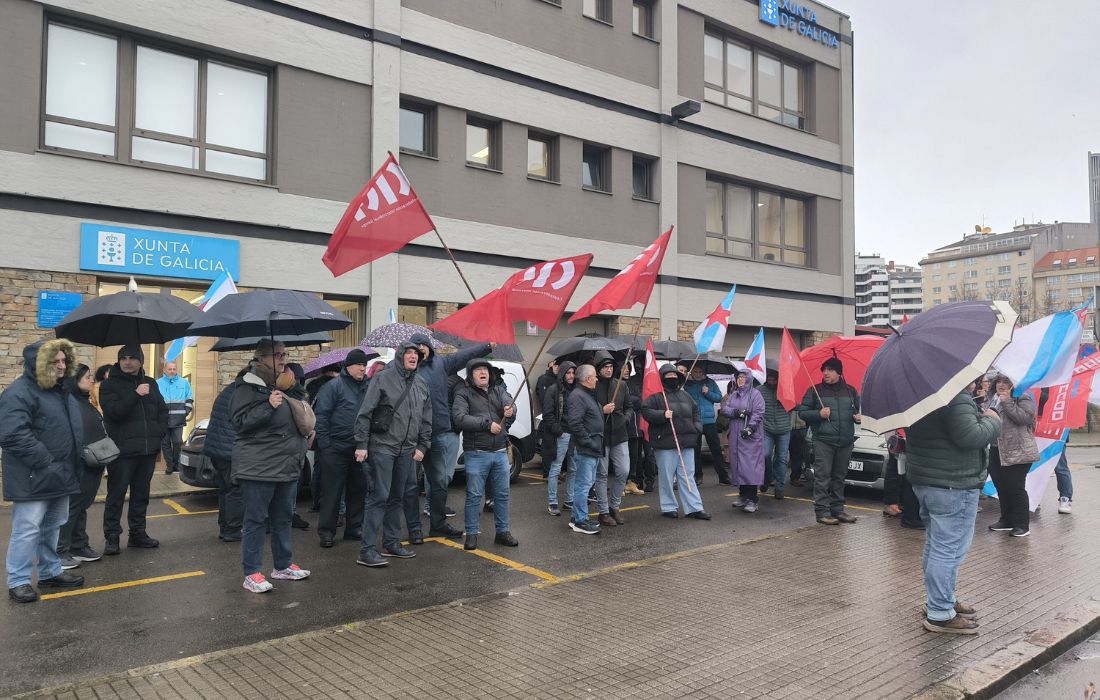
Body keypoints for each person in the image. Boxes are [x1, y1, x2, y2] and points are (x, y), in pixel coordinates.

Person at [906, 387, 1001, 634]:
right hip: (953, 484)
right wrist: (992, 420)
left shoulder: (920, 395)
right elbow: (969, 437)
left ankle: (940, 600)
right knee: (948, 549)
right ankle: (940, 612)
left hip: (929, 481)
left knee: (936, 545)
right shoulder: (954, 396)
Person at [1, 339, 85, 603]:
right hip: (34, 475)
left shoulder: (60, 391)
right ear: (40, 364)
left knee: (53, 526)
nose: (61, 366)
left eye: (63, 361)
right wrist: (47, 461)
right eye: (55, 361)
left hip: (59, 473)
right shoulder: (19, 392)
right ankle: (19, 580)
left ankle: (50, 572)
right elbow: (12, 434)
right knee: (27, 529)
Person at [231, 339, 312, 593]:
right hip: (258, 467)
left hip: (286, 465)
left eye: (284, 354)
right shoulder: (247, 386)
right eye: (277, 354)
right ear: (261, 358)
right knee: (256, 519)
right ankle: (252, 572)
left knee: (283, 517)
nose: (282, 358)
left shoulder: (287, 386)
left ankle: (283, 565)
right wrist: (267, 405)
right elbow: (239, 422)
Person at [405, 333, 491, 542]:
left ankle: (439, 525)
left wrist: (487, 346)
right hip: (411, 435)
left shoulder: (441, 364)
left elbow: (464, 355)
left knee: (440, 482)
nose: (421, 349)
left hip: (439, 432)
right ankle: (414, 529)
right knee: (409, 485)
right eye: (417, 346)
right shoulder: (404, 369)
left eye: (424, 345)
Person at [354, 342, 432, 567]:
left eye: (416, 354)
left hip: (407, 450)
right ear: (399, 356)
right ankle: (367, 550)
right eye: (408, 353)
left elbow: (427, 417)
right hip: (382, 447)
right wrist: (361, 443)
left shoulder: (421, 383)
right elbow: (365, 412)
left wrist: (423, 446)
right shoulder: (383, 378)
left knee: (397, 497)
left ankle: (391, 542)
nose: (413, 356)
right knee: (379, 497)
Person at [99, 344, 168, 554]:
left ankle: (138, 534)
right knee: (115, 496)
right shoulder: (109, 385)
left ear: (141, 360)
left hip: (147, 451)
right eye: (123, 358)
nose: (127, 362)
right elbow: (114, 412)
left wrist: (158, 434)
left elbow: (162, 411)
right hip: (122, 452)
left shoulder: (151, 383)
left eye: (132, 358)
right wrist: (135, 394)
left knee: (141, 495)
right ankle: (112, 537)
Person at [452, 358, 519, 550]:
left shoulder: (499, 391)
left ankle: (503, 532)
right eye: (478, 370)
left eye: (485, 369)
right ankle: (471, 534)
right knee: (474, 495)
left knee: (503, 495)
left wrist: (511, 409)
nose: (483, 372)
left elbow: (511, 403)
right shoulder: (463, 394)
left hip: (499, 452)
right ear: (471, 375)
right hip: (476, 453)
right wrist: (487, 425)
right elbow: (459, 418)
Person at [313, 349, 371, 548]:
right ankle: (327, 532)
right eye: (359, 364)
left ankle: (354, 528)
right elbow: (322, 417)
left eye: (365, 365)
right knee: (332, 492)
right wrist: (326, 446)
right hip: (335, 449)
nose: (363, 368)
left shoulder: (368, 386)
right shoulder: (333, 387)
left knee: (358, 490)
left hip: (359, 448)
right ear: (348, 366)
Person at [641, 364, 711, 520]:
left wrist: (697, 427)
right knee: (666, 476)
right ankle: (668, 506)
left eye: (674, 376)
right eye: (668, 376)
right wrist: (662, 415)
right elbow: (645, 411)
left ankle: (694, 508)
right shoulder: (656, 396)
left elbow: (695, 412)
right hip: (665, 443)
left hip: (686, 442)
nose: (672, 379)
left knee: (688, 476)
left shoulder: (686, 396)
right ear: (662, 379)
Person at [797, 357, 861, 525]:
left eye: (830, 370)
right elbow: (802, 412)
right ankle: (822, 512)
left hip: (846, 441)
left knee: (839, 477)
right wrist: (818, 414)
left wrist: (859, 418)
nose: (825, 373)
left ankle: (838, 510)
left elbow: (859, 411)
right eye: (824, 370)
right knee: (823, 477)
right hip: (823, 441)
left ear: (839, 372)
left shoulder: (851, 391)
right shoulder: (814, 390)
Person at [56, 364, 108, 569]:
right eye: (87, 377)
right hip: (79, 464)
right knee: (71, 508)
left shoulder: (82, 400)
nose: (91, 380)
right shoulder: (68, 402)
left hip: (93, 462)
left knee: (81, 506)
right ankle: (60, 551)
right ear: (74, 379)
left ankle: (78, 545)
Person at [986, 375, 1038, 538]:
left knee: (1015, 488)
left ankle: (1022, 524)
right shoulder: (992, 399)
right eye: (999, 382)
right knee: (1001, 486)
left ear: (1014, 384)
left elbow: (1024, 418)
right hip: (996, 449)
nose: (1001, 385)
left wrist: (1007, 401)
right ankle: (1007, 520)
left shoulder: (1022, 398)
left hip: (1018, 450)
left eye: (1006, 382)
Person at [204, 367, 248, 543]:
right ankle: (233, 530)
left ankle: (225, 527)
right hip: (228, 449)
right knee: (235, 490)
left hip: (217, 449)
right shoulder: (240, 394)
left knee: (225, 490)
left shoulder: (229, 390)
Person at [564, 364, 605, 535]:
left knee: (585, 484)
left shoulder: (586, 394)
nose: (597, 378)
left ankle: (576, 517)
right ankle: (581, 520)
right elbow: (574, 423)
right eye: (595, 376)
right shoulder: (578, 396)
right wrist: (588, 442)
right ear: (588, 378)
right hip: (584, 449)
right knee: (583, 485)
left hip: (592, 447)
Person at [592, 351, 629, 527]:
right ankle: (604, 511)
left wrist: (625, 419)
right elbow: (587, 409)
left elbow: (629, 407)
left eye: (611, 366)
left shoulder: (621, 385)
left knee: (623, 471)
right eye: (605, 367)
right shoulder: (592, 386)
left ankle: (615, 506)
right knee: (602, 474)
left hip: (620, 434)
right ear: (598, 369)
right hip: (601, 435)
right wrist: (602, 410)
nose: (609, 370)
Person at [721, 368, 766, 513]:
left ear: (748, 378)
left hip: (750, 437)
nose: (740, 379)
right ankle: (742, 495)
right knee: (738, 466)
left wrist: (751, 428)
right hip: (735, 435)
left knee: (750, 467)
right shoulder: (734, 394)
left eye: (743, 377)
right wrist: (736, 412)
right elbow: (724, 409)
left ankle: (752, 499)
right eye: (738, 377)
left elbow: (758, 413)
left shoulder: (756, 394)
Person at [541, 360, 576, 516]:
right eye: (568, 373)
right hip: (560, 435)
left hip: (575, 435)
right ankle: (552, 502)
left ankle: (569, 500)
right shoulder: (553, 390)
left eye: (573, 373)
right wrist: (559, 431)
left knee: (574, 469)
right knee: (555, 468)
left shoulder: (575, 390)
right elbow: (547, 414)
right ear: (562, 373)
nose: (571, 376)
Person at [684, 364, 727, 485]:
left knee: (716, 450)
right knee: (696, 451)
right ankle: (698, 476)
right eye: (695, 371)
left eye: (700, 371)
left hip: (709, 422)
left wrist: (708, 393)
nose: (697, 374)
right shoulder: (686, 385)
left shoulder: (710, 382)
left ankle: (723, 476)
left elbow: (719, 398)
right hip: (694, 421)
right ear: (691, 372)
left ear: (703, 372)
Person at [758, 364, 792, 499]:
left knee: (782, 459)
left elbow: (797, 405)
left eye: (774, 379)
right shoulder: (759, 390)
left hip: (784, 429)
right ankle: (767, 479)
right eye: (769, 379)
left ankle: (779, 488)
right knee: (765, 455)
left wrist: (787, 400)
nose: (772, 382)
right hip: (767, 428)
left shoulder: (786, 390)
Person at [156, 361, 193, 475]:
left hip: (178, 419)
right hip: (163, 420)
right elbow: (154, 401)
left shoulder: (184, 383)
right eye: (169, 369)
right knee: (165, 443)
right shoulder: (157, 383)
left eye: (174, 369)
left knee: (177, 442)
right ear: (164, 370)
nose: (172, 371)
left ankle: (177, 465)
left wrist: (185, 412)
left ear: (176, 370)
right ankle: (170, 465)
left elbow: (189, 399)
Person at [621, 359, 649, 495]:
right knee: (620, 457)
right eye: (623, 368)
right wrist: (629, 400)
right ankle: (620, 484)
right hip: (620, 428)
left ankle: (632, 482)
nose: (626, 370)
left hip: (634, 426)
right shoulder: (614, 385)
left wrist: (628, 400)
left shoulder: (633, 382)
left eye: (628, 368)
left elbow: (639, 400)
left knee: (635, 456)